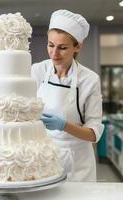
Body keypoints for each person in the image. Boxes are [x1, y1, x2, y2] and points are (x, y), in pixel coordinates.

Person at [31, 9, 104, 181]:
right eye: (50, 45)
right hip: (44, 156)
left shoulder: (90, 80)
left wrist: (63, 125)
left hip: (77, 162)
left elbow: (93, 134)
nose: (54, 54)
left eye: (62, 48)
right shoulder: (37, 70)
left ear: (77, 46)